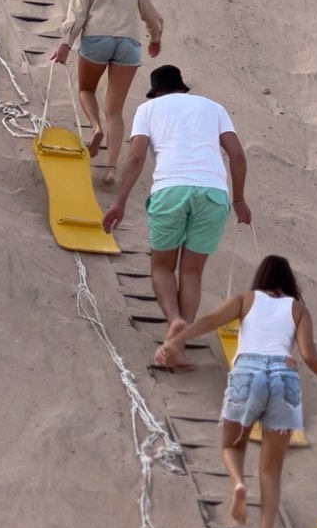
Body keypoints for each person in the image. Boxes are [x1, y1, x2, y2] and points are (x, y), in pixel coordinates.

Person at [155, 254, 317, 528]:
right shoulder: (298, 309)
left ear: (261, 277)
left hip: (248, 372)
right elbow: (308, 354)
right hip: (284, 379)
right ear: (290, 282)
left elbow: (209, 321)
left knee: (232, 447)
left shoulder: (246, 300)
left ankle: (237, 485)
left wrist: (173, 341)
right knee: (271, 471)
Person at [102, 64, 252, 342]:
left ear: (157, 92)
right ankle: (180, 340)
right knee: (192, 272)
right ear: (182, 87)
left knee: (162, 267)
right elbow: (238, 156)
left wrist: (120, 202)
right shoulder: (214, 108)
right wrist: (239, 200)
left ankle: (174, 321)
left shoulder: (147, 110)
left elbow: (135, 158)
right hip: (213, 192)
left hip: (171, 189)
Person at [51, 0, 163, 186]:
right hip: (129, 43)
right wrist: (155, 38)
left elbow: (78, 12)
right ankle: (111, 168)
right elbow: (151, 13)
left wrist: (66, 43)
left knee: (87, 90)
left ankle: (95, 128)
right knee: (115, 110)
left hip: (97, 37)